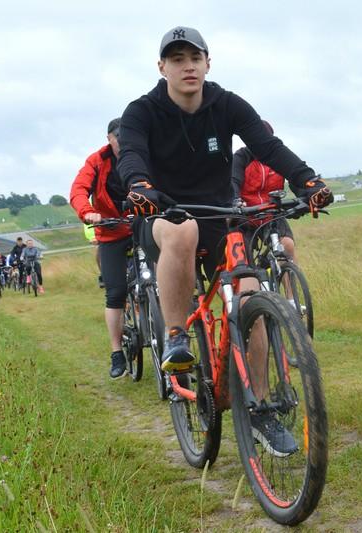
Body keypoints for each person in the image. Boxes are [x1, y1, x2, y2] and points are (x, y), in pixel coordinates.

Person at [118, 26, 332, 455]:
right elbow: (131, 154)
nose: (188, 66)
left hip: (219, 214)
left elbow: (268, 147)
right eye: (177, 59)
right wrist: (139, 185)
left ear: (208, 63)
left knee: (252, 296)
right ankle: (177, 336)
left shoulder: (227, 104)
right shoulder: (142, 111)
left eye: (195, 58)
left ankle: (260, 409)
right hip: (162, 213)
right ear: (162, 67)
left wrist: (307, 180)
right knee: (183, 230)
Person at [70, 117, 133, 379]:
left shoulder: (140, 154)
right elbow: (78, 190)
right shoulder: (96, 161)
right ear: (109, 138)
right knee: (116, 292)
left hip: (142, 226)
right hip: (110, 230)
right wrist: (88, 212)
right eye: (119, 138)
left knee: (166, 277)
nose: (123, 143)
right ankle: (117, 352)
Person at [231, 120, 302, 306]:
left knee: (287, 246)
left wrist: (305, 195)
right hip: (246, 214)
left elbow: (295, 177)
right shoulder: (241, 157)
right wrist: (235, 200)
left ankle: (291, 300)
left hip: (271, 212)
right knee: (244, 261)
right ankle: (253, 302)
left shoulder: (277, 156)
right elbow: (233, 181)